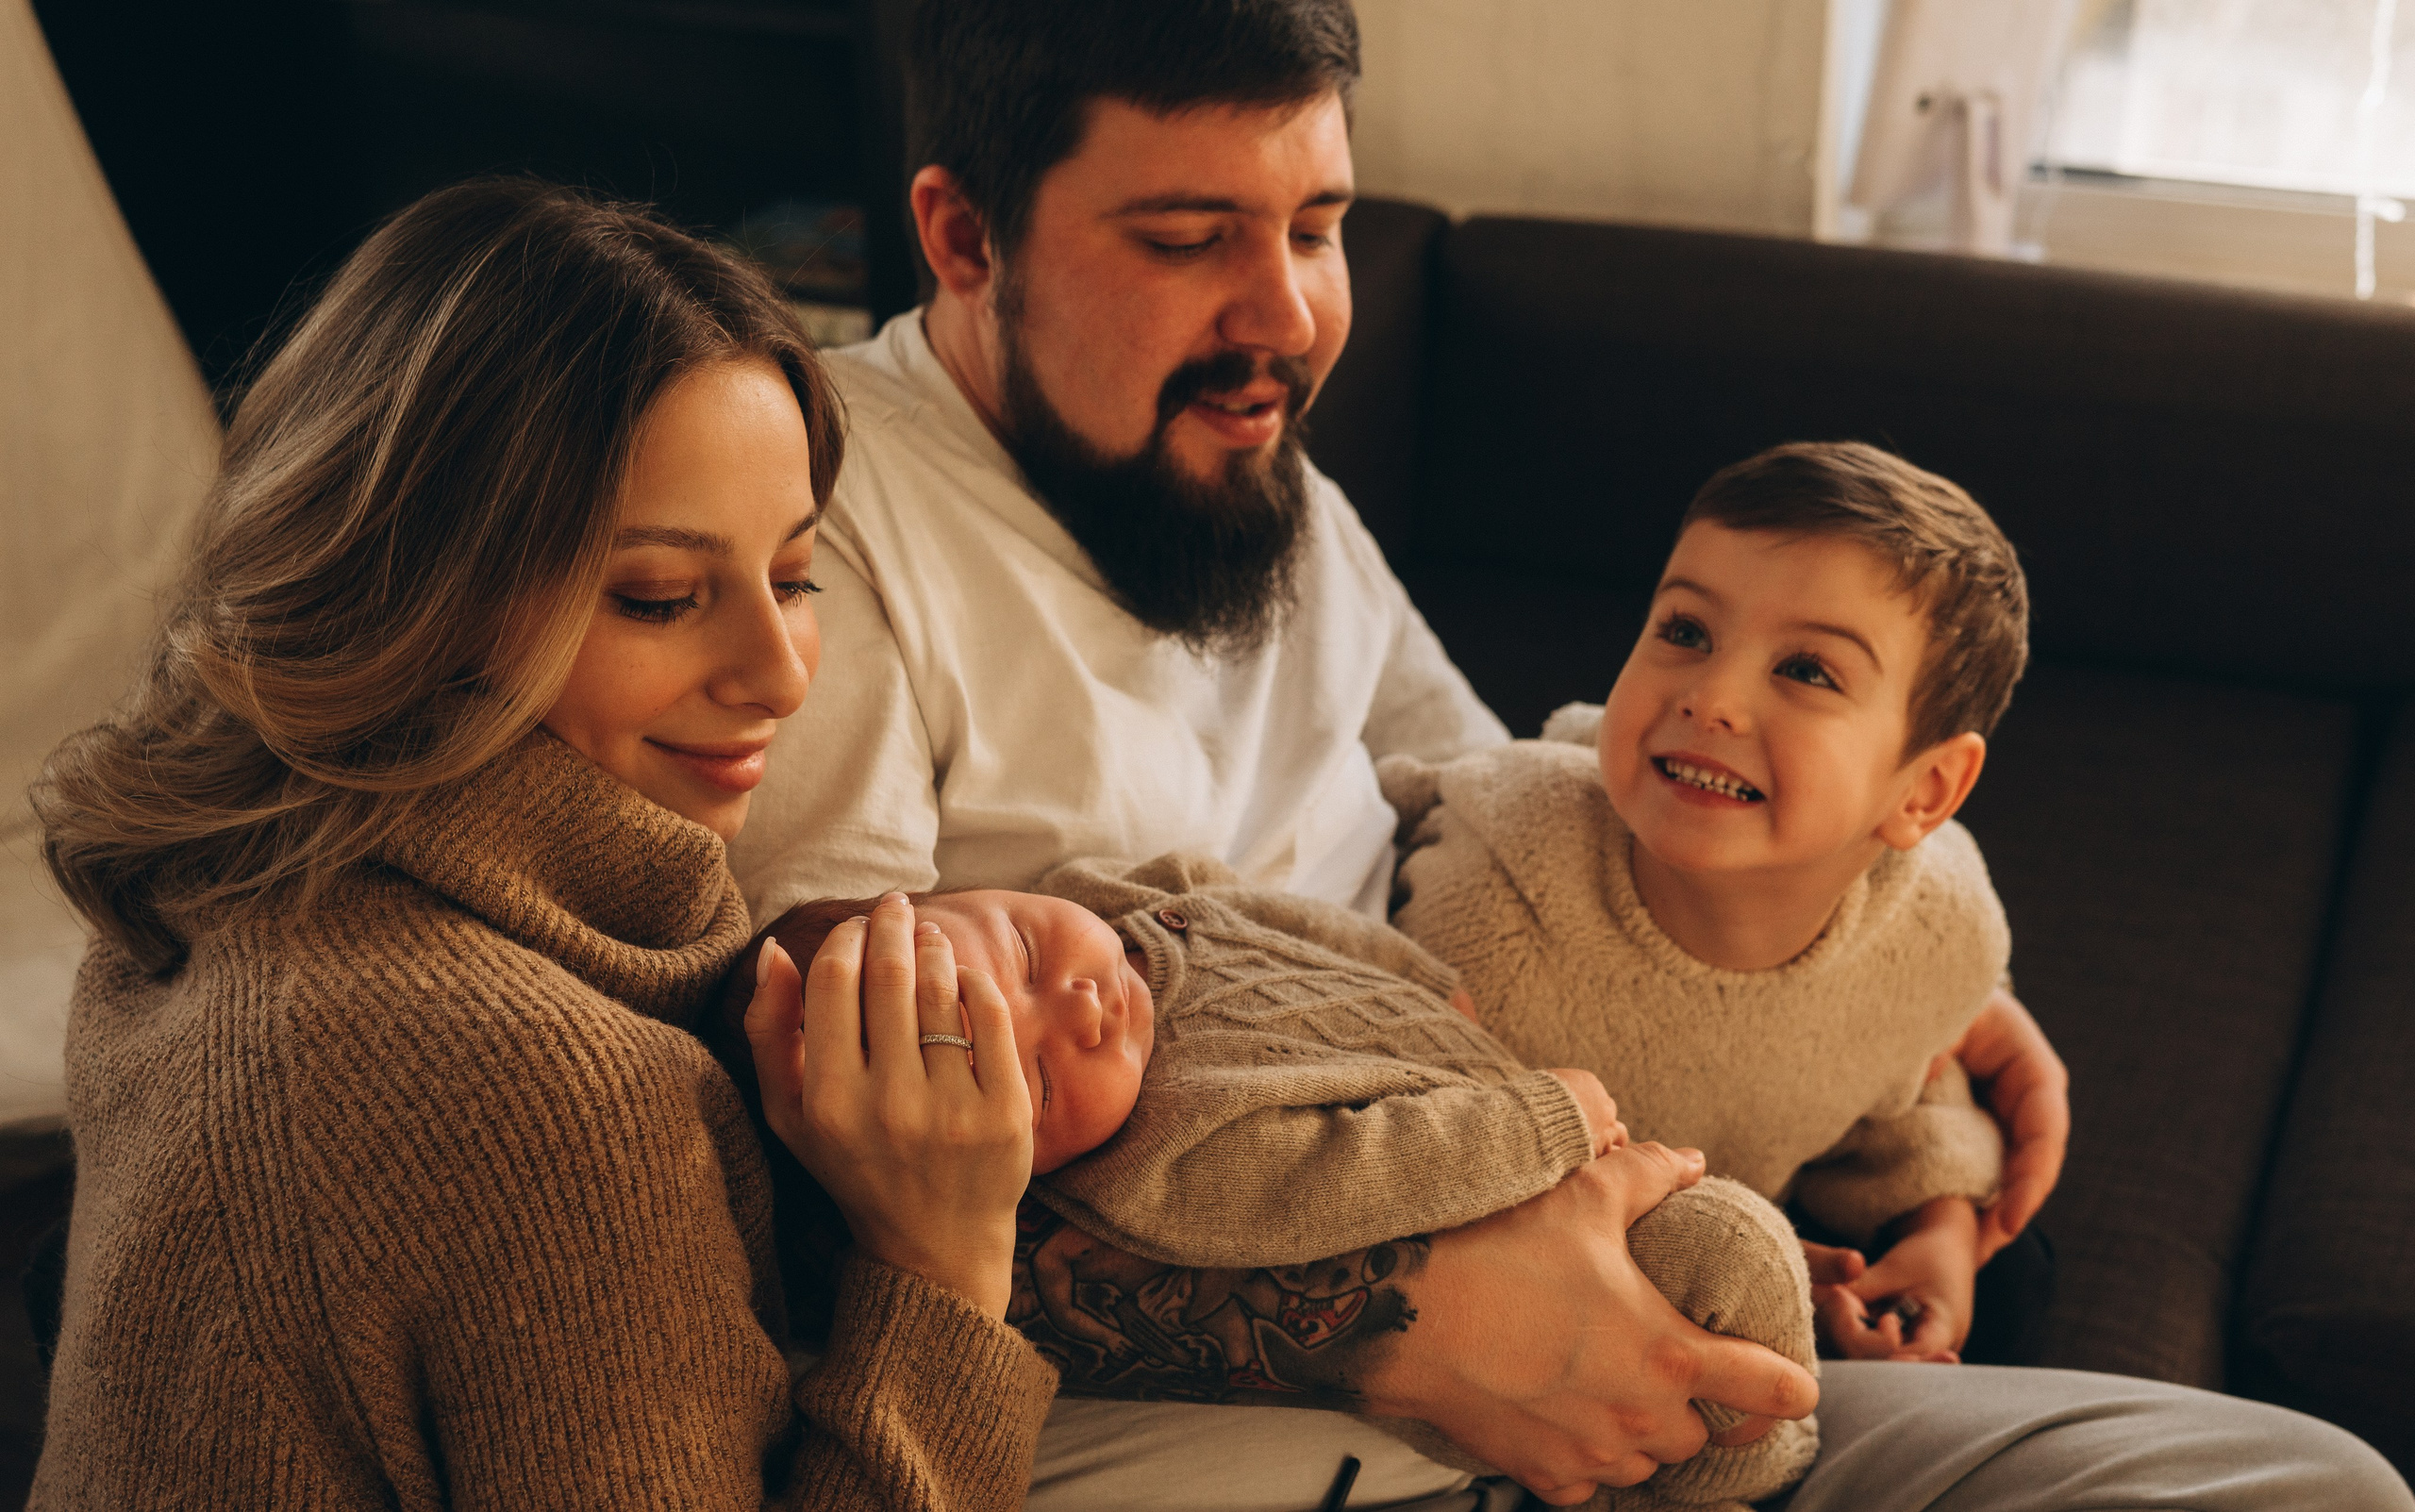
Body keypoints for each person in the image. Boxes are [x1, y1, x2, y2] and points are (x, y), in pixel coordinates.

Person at [726, 2, 2415, 1506]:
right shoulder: (823, 541)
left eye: (1319, 227)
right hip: (1251, 1400)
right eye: (1186, 237)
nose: (1289, 316)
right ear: (960, 233)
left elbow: (1528, 809)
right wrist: (1390, 1327)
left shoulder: (1244, 470)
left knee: (2298, 1478)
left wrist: (1877, 961)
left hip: (1574, 1231)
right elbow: (820, 1167)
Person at [29, 179, 1058, 1509]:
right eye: (660, 595)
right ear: (418, 592)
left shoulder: (201, 899)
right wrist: (942, 1266)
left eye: (796, 577)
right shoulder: (545, 1097)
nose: (779, 672)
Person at [749, 851, 1824, 1511]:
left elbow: (1254, 910)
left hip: (1507, 1081)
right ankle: (1738, 1471)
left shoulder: (1112, 900)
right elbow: (1357, 1175)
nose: (1078, 1005)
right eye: (1033, 1073)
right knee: (1728, 1264)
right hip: (1520, 1176)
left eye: (1027, 952)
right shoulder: (1163, 1164)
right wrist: (1537, 1122)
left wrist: (1412, 978)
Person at [1386, 441, 2024, 1366]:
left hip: (1759, 1259)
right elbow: (1408, 1154)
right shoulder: (1495, 890)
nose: (1712, 696)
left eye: (1807, 670)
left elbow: (1910, 1074)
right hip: (1507, 1300)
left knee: (2017, 1290)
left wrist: (1941, 1239)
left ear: (1922, 792)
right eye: (1685, 631)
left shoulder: (1938, 927)